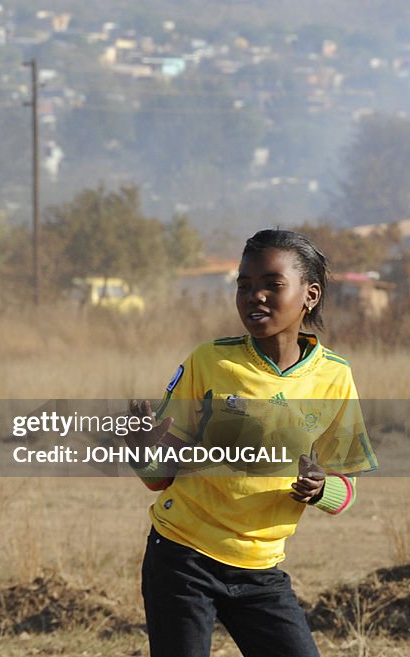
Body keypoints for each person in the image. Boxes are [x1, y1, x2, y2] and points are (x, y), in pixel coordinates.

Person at [126, 229, 376, 657]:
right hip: (182, 558)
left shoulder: (334, 376)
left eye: (271, 285)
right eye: (244, 285)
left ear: (309, 295)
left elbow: (345, 491)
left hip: (261, 572)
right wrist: (141, 451)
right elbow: (159, 479)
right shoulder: (210, 361)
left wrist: (320, 489)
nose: (254, 296)